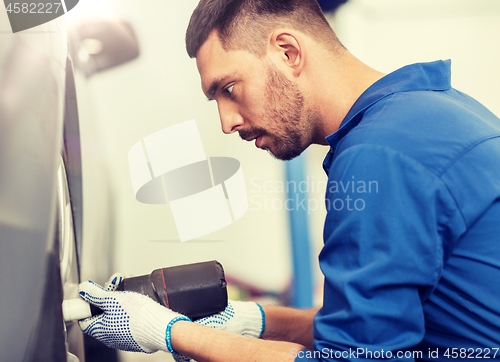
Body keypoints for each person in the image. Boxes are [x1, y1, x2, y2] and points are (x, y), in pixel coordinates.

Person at [78, 0, 500, 361]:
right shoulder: (427, 112)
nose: (226, 123)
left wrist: (166, 332)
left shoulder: (381, 154)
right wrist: (258, 320)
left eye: (228, 88)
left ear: (287, 51)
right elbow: (375, 331)